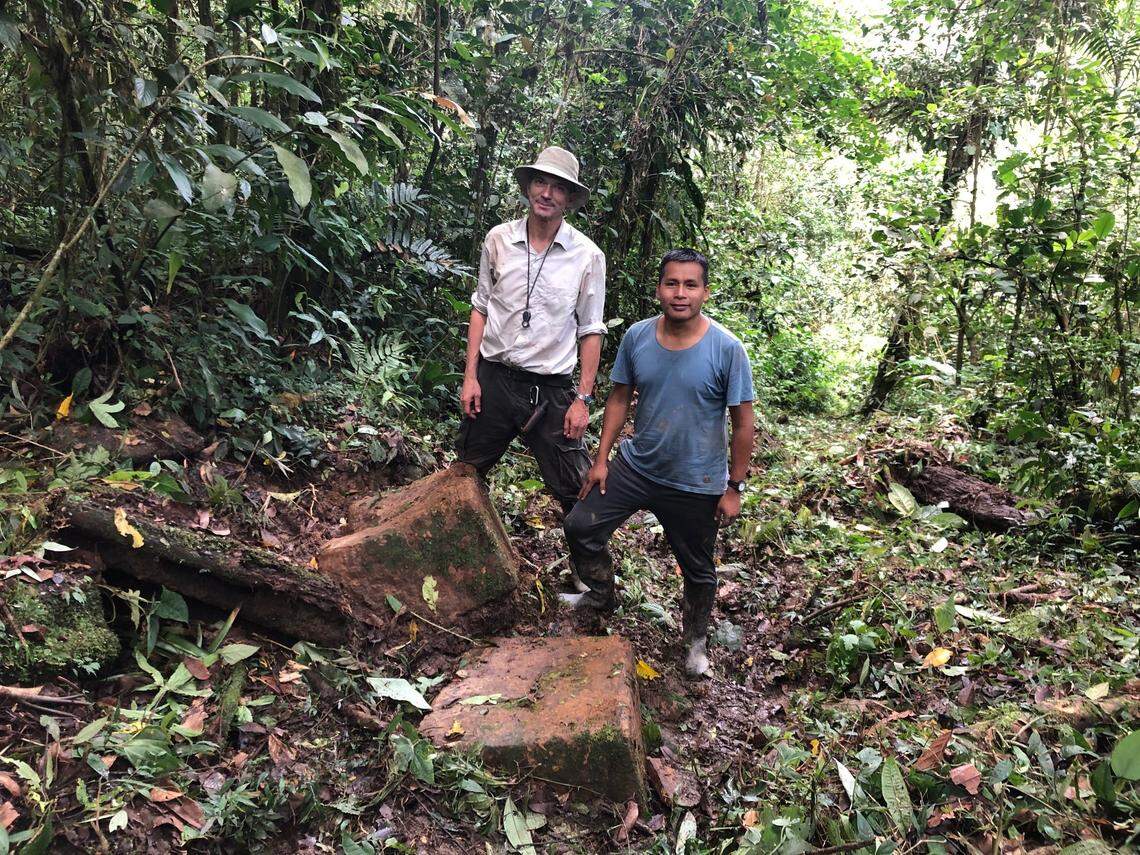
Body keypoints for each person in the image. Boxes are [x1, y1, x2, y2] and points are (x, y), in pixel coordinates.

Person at [560, 248, 755, 678]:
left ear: (704, 291)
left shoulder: (727, 349)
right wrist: (602, 459)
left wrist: (734, 487)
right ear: (658, 289)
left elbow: (743, 424)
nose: (680, 293)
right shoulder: (638, 337)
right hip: (637, 466)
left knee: (698, 569)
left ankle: (697, 642)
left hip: (697, 481)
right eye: (672, 283)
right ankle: (600, 593)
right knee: (580, 525)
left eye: (690, 284)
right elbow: (618, 398)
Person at [456, 147, 607, 588]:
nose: (547, 193)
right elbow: (481, 307)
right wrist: (469, 377)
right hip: (495, 378)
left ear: (570, 199)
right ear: (527, 188)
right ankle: (460, 566)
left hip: (552, 389)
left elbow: (591, 329)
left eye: (558, 187)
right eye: (541, 182)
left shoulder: (587, 256)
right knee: (467, 472)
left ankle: (592, 587)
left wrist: (582, 398)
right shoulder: (498, 239)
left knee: (574, 489)